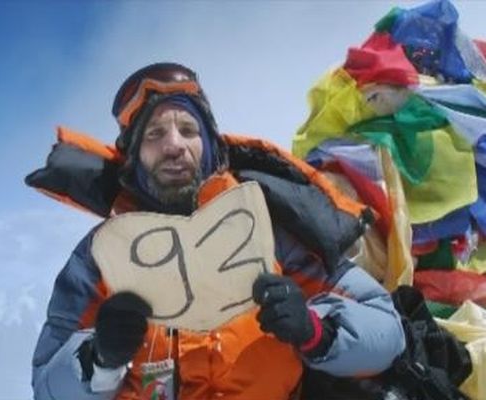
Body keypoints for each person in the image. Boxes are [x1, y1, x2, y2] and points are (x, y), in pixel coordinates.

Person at [28, 62, 406, 400]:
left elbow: (386, 331)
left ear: (208, 146)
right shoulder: (102, 255)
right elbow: (46, 385)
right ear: (134, 157)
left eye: (187, 130)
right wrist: (99, 360)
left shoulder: (268, 228)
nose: (173, 145)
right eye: (154, 134)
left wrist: (314, 331)